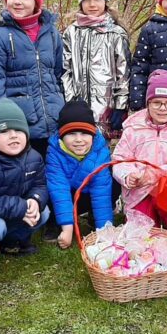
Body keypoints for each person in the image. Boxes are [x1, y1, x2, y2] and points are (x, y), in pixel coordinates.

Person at [0, 0, 65, 157]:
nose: (17, 2)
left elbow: (58, 74)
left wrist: (59, 104)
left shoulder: (51, 33)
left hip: (53, 119)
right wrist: (1, 123)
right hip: (20, 123)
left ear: (36, 1)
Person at [0, 98, 51, 279]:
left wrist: (35, 200)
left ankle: (10, 243)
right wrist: (21, 207)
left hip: (14, 211)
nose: (13, 135)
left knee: (43, 213)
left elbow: (40, 185)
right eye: (4, 131)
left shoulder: (34, 157)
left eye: (19, 130)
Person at [112, 70, 167, 238]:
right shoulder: (133, 128)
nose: (162, 108)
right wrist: (128, 175)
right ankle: (148, 218)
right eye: (156, 102)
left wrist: (151, 175)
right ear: (148, 103)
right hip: (139, 191)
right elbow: (120, 159)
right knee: (141, 237)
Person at [61, 0, 130, 138]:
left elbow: (124, 72)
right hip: (78, 108)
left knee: (103, 154)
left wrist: (120, 105)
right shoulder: (71, 32)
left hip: (106, 108)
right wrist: (71, 102)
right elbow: (65, 69)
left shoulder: (115, 33)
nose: (92, 4)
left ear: (105, 0)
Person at [45, 100, 117, 250]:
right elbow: (60, 191)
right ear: (61, 136)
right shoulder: (54, 153)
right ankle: (57, 221)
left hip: (87, 195)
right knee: (49, 190)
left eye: (84, 133)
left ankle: (95, 218)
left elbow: (101, 193)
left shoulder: (101, 153)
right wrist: (67, 230)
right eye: (71, 134)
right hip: (67, 197)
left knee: (113, 184)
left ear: (93, 134)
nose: (79, 139)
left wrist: (105, 233)